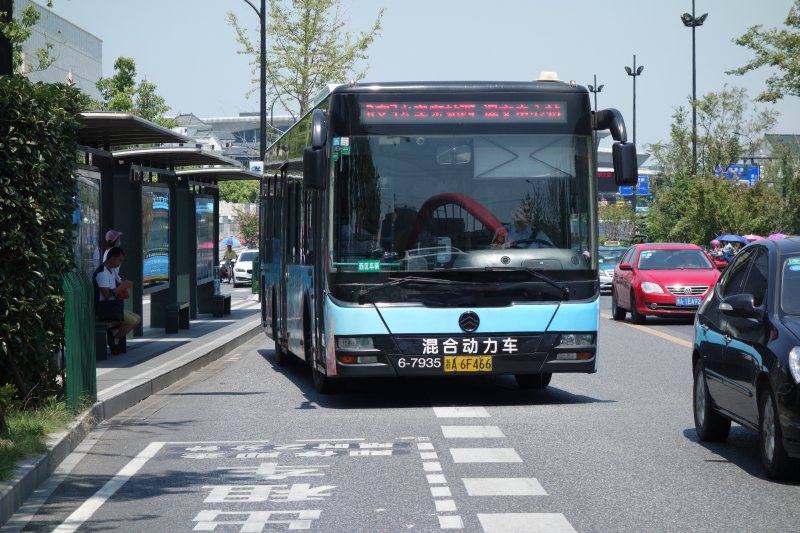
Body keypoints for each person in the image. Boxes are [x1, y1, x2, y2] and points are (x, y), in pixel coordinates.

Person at [95, 247, 139, 355]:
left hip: (111, 306)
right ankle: (114, 340)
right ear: (112, 258)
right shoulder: (102, 273)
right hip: (104, 308)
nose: (120, 264)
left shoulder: (111, 271)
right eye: (119, 260)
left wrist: (123, 284)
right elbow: (106, 294)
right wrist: (122, 286)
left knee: (137, 318)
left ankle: (114, 334)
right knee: (133, 321)